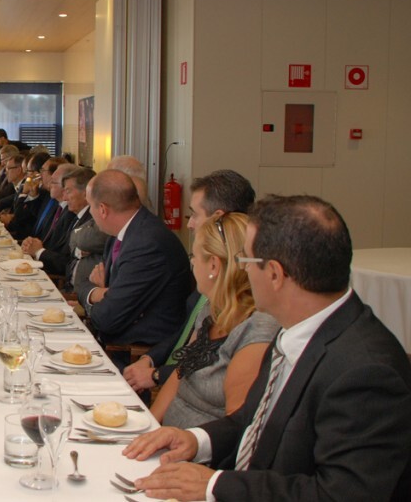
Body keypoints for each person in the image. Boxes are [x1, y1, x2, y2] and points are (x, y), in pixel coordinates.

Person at [124, 195, 411, 502]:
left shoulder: (365, 371)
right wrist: (196, 439)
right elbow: (254, 420)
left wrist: (214, 486)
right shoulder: (299, 329)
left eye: (245, 261)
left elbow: (340, 494)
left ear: (274, 274)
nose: (241, 272)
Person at [124, 169, 257, 394]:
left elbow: (211, 366)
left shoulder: (244, 290)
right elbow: (185, 331)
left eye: (194, 214)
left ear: (218, 216)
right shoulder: (209, 276)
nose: (190, 224)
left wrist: (157, 375)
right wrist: (150, 358)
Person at [149, 213, 278, 428]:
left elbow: (234, 429)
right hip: (167, 438)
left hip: (198, 454)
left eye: (194, 256)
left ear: (214, 266)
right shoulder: (211, 308)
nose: (191, 263)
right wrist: (147, 427)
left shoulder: (256, 330)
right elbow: (182, 372)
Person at [81, 169, 191, 368]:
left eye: (90, 207)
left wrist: (96, 295)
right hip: (119, 343)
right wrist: (101, 294)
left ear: (103, 210)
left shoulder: (146, 244)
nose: (90, 213)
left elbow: (107, 318)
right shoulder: (126, 233)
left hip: (137, 355)